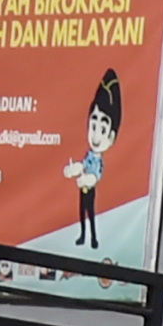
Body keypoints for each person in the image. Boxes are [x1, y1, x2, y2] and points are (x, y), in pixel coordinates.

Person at [65, 69, 121, 252]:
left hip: (90, 188)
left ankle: (94, 237)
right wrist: (75, 170)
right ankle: (83, 235)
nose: (96, 134)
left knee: (91, 213)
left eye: (102, 128)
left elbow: (97, 173)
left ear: (111, 137)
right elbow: (83, 164)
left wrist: (88, 179)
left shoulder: (97, 158)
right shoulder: (89, 154)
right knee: (81, 212)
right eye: (93, 125)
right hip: (82, 188)